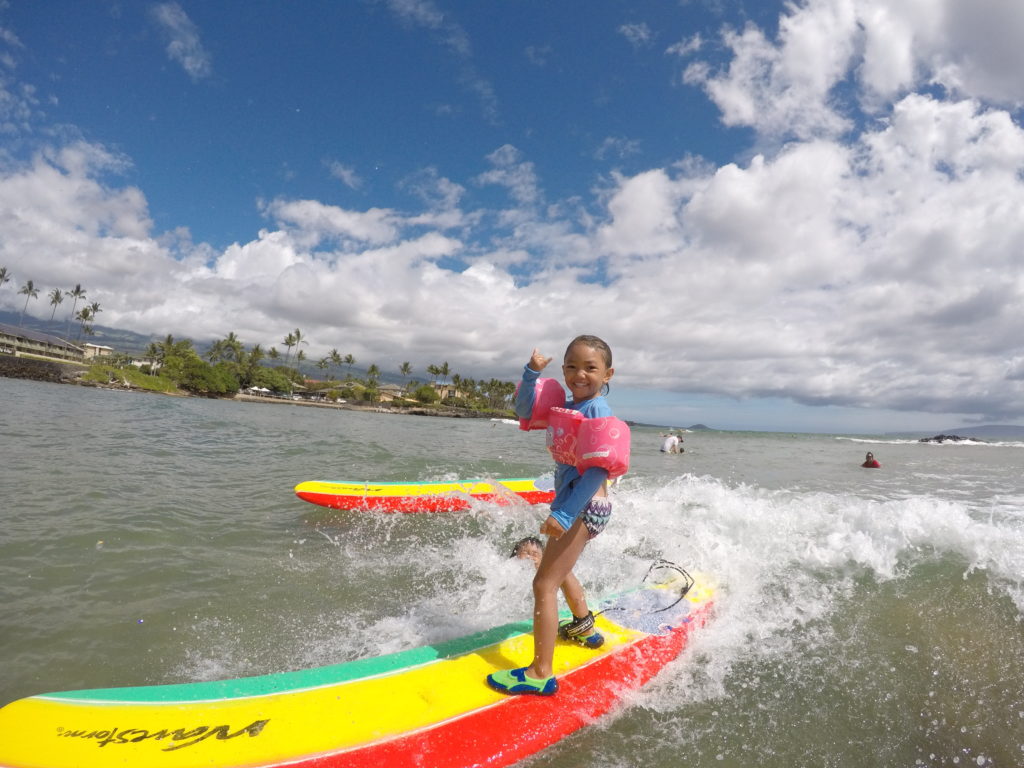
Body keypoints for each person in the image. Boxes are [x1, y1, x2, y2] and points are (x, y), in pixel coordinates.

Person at [487, 335, 618, 697]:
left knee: (543, 584)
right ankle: (583, 627)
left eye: (590, 368)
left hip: (582, 503)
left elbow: (596, 472)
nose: (580, 374)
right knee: (560, 570)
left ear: (608, 374)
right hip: (584, 505)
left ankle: (540, 672)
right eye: (572, 366)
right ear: (563, 370)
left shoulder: (595, 411)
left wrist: (562, 513)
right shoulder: (572, 405)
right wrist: (531, 375)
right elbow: (525, 411)